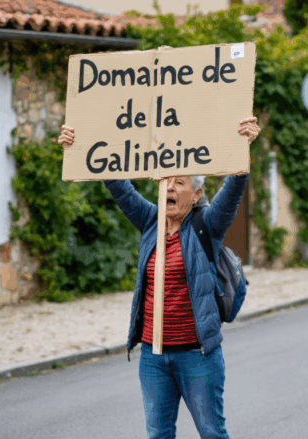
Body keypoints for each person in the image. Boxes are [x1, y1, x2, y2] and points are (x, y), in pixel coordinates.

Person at [58, 118, 260, 439]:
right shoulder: (150, 219)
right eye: (166, 180)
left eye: (180, 183)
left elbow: (233, 191)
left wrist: (242, 147)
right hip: (153, 356)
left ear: (195, 195)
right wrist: (81, 142)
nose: (169, 187)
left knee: (212, 433)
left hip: (197, 356)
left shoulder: (207, 224)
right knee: (158, 435)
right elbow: (117, 183)